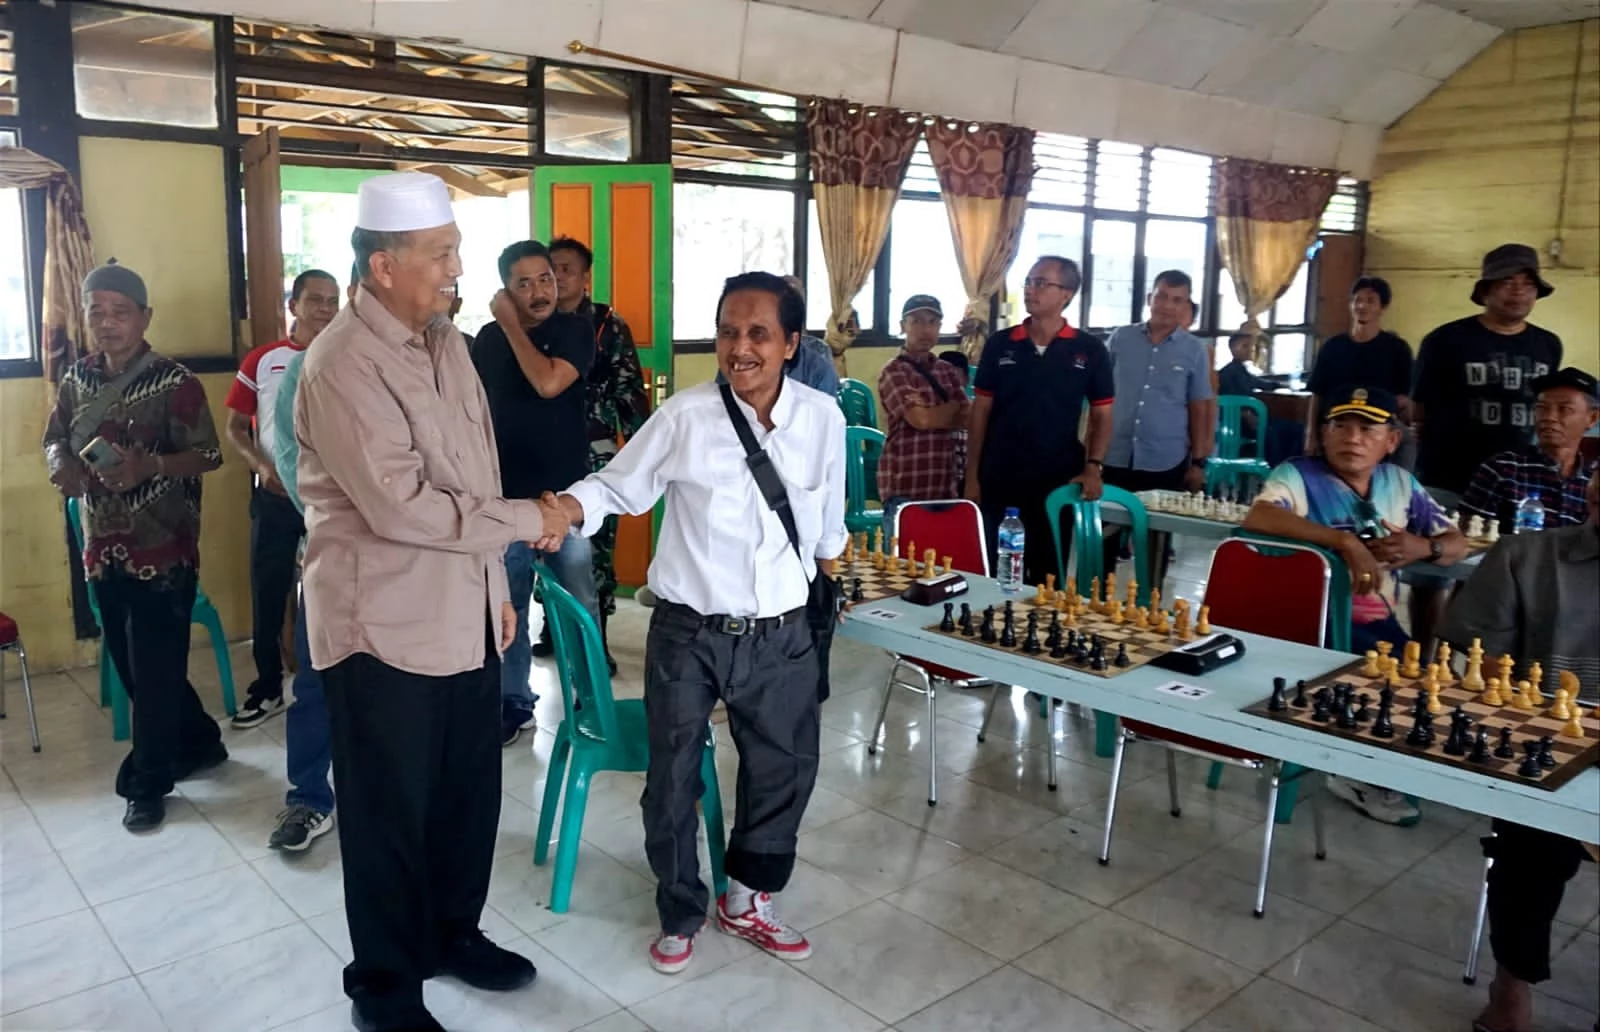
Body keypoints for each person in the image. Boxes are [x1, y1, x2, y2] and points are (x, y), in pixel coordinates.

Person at [295, 172, 564, 1032]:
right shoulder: (342, 363)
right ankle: (384, 987)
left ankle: (452, 935)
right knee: (388, 815)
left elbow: (473, 471)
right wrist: (531, 520)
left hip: (463, 613)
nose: (457, 269)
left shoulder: (447, 340)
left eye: (455, 251)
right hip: (382, 629)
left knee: (464, 797)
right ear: (384, 266)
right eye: (441, 254)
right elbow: (403, 506)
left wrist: (494, 586)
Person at [551, 271, 846, 977]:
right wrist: (560, 509)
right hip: (689, 633)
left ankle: (748, 899)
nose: (739, 348)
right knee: (674, 776)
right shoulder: (685, 417)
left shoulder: (822, 419)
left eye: (758, 334)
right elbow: (617, 486)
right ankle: (680, 908)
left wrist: (829, 602)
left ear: (791, 344)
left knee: (783, 768)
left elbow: (827, 525)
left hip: (781, 632)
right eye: (727, 332)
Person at [43, 260, 226, 832]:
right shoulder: (76, 379)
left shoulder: (176, 382)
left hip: (164, 550)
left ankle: (148, 785)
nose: (107, 322)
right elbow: (54, 437)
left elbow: (209, 455)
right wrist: (60, 465)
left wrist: (151, 466)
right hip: (103, 547)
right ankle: (200, 740)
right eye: (97, 311)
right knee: (135, 665)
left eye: (120, 311)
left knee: (152, 669)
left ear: (145, 316)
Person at [1242, 384, 1467, 825]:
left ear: (1392, 440)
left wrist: (1426, 547)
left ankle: (1375, 764)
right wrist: (1344, 542)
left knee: (1437, 681)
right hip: (1310, 623)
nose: (1353, 438)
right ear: (1323, 434)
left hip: (1377, 628)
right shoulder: (1298, 474)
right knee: (1401, 681)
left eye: (1368, 429)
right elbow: (1260, 516)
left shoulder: (1399, 483)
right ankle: (1355, 773)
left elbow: (1456, 541)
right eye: (1341, 426)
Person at [1441, 470, 1598, 1032]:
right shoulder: (1525, 556)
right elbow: (1487, 675)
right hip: (1546, 751)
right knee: (1530, 840)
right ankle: (1512, 982)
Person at [471, 240, 601, 746]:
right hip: (505, 502)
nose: (539, 291)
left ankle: (590, 698)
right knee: (510, 605)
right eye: (523, 283)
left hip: (564, 502)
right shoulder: (488, 340)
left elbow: (548, 383)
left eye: (545, 278)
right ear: (506, 289)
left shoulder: (574, 330)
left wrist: (510, 325)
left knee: (578, 603)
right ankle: (513, 702)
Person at [1410, 244, 1564, 655]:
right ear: (1486, 290)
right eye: (1507, 282)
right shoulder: (1445, 340)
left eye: (1528, 283)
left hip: (1513, 486)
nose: (1518, 291)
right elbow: (1419, 410)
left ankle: (1451, 661)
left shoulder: (1547, 345)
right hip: (1448, 476)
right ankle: (1421, 657)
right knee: (1430, 574)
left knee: (1484, 578)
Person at [224, 269, 341, 729]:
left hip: (329, 500)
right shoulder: (264, 360)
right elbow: (235, 427)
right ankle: (268, 687)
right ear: (293, 306)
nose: (325, 309)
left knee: (332, 591)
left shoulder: (346, 357)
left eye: (332, 301)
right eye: (315, 300)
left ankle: (331, 680)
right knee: (269, 592)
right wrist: (261, 466)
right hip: (275, 497)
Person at [965, 256, 1113, 582]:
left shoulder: (1089, 350)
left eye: (1041, 283)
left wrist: (1094, 466)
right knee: (997, 569)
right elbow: (980, 412)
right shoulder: (1001, 344)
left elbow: (1102, 414)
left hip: (1057, 478)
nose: (1031, 290)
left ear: (1066, 294)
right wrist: (972, 475)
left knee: (1047, 574)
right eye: (1029, 282)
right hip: (1000, 475)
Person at [548, 235, 650, 672]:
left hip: (595, 455)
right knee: (547, 542)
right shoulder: (534, 323)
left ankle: (597, 642)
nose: (558, 278)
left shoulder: (608, 325)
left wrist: (643, 454)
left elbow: (629, 390)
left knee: (594, 555)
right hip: (546, 452)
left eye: (567, 269)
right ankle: (550, 631)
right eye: (551, 269)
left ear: (586, 277)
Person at [263, 308, 337, 853]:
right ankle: (309, 798)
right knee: (315, 685)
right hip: (333, 556)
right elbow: (292, 464)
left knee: (397, 692)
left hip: (411, 569)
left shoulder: (435, 359)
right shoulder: (309, 369)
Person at [1102, 270, 1214, 584]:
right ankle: (1096, 602)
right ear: (1150, 298)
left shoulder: (1194, 350)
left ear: (1185, 305)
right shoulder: (1120, 339)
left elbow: (1199, 407)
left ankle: (1148, 603)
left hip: (1165, 459)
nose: (1167, 305)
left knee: (1155, 545)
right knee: (1104, 539)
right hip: (1115, 454)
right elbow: (1099, 395)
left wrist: (1199, 462)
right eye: (1161, 296)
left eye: (1176, 300)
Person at [1460, 367, 1599, 534]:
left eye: (1564, 409)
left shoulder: (1593, 481)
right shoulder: (1503, 469)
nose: (1549, 417)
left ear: (1592, 418)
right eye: (1541, 408)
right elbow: (1466, 537)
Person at [876, 294, 969, 535]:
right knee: (904, 557)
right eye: (916, 321)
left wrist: (931, 411)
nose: (925, 329)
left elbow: (967, 418)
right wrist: (950, 408)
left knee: (944, 555)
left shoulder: (947, 371)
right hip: (904, 486)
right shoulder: (894, 371)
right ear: (902, 326)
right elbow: (920, 420)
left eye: (932, 322)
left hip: (943, 485)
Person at [1304, 276, 1413, 462]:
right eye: (1357, 300)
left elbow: (1405, 399)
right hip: (1337, 427)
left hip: (1377, 431)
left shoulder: (1397, 348)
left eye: (1370, 301)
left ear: (1383, 308)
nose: (1362, 306)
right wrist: (1311, 434)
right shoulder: (1332, 346)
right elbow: (1317, 394)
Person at [1217, 331, 1301, 466]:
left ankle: (1288, 467)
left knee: (1294, 428)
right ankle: (1274, 468)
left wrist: (1280, 385)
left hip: (1251, 419)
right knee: (1279, 432)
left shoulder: (1241, 370)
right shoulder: (1227, 373)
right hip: (1237, 423)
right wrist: (1247, 415)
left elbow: (1259, 383)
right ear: (1233, 349)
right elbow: (1230, 400)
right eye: (1245, 346)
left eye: (1251, 346)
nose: (1250, 350)